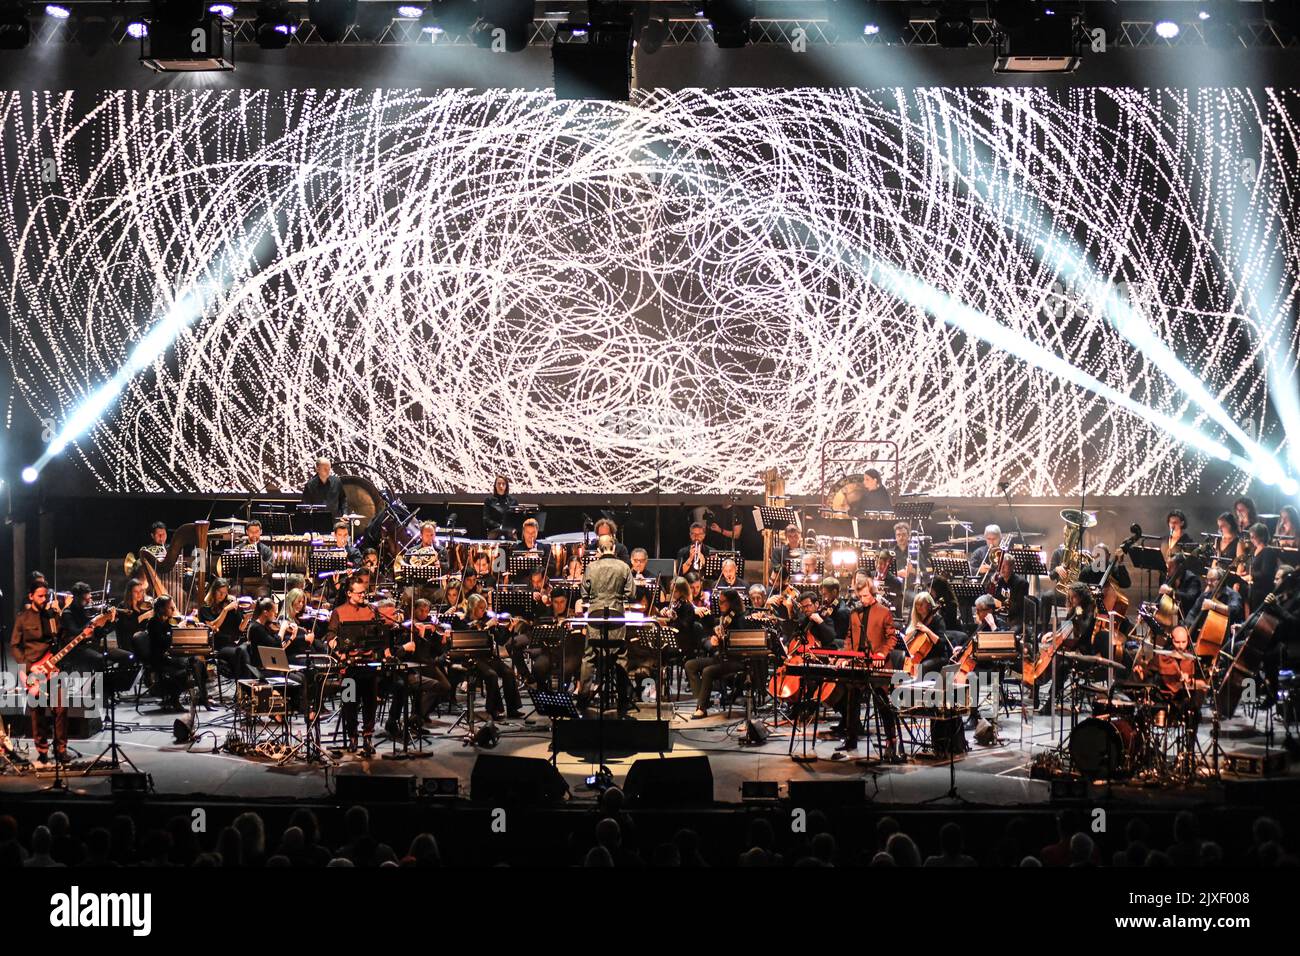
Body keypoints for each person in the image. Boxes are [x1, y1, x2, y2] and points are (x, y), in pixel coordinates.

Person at [10, 581, 75, 763]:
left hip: (53, 668)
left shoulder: (52, 616)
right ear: (31, 596)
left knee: (61, 709)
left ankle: (60, 750)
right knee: (38, 713)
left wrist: (83, 634)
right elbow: (14, 646)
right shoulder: (22, 618)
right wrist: (29, 667)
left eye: (45, 595)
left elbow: (63, 639)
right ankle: (43, 751)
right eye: (40, 595)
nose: (44, 599)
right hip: (33, 670)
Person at [578, 534, 637, 714]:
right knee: (620, 656)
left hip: (595, 617)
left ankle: (583, 699)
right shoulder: (624, 567)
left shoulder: (591, 567)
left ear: (599, 549)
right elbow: (631, 594)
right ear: (613, 547)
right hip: (617, 617)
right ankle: (623, 702)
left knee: (589, 656)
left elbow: (584, 594)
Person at [326, 580, 384, 754]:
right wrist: (338, 650)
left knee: (369, 703)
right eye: (359, 593)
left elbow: (380, 633)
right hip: (349, 668)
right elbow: (330, 636)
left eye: (363, 593)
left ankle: (367, 737)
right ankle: (352, 737)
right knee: (349, 702)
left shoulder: (371, 610)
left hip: (368, 665)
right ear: (349, 594)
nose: (362, 596)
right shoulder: (339, 612)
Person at [686, 589, 752, 719]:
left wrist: (722, 640)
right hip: (722, 657)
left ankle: (702, 707)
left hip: (735, 661)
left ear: (731, 603)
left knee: (708, 671)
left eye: (723, 602)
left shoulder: (740, 619)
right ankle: (703, 699)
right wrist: (715, 636)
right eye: (719, 602)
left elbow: (739, 644)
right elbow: (717, 632)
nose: (720, 605)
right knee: (690, 665)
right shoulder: (725, 617)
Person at [1244, 521, 1280, 615]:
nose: (1251, 539)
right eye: (1250, 536)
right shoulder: (1254, 550)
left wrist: (1251, 576)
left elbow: (1266, 573)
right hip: (1253, 590)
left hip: (1262, 591)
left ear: (1261, 536)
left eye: (1253, 536)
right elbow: (1250, 568)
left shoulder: (1268, 551)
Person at [1160, 552, 1202, 620]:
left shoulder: (1193, 579)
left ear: (1179, 567)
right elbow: (1161, 599)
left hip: (1187, 618)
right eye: (1167, 566)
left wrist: (1172, 592)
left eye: (1171, 567)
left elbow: (1190, 598)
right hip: (1172, 615)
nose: (1167, 569)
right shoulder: (1170, 578)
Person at [482, 475, 519, 540]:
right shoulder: (489, 500)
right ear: (495, 486)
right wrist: (500, 526)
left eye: (503, 484)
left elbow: (517, 518)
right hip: (494, 531)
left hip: (509, 531)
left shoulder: (513, 501)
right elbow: (486, 519)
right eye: (499, 484)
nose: (501, 486)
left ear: (506, 486)